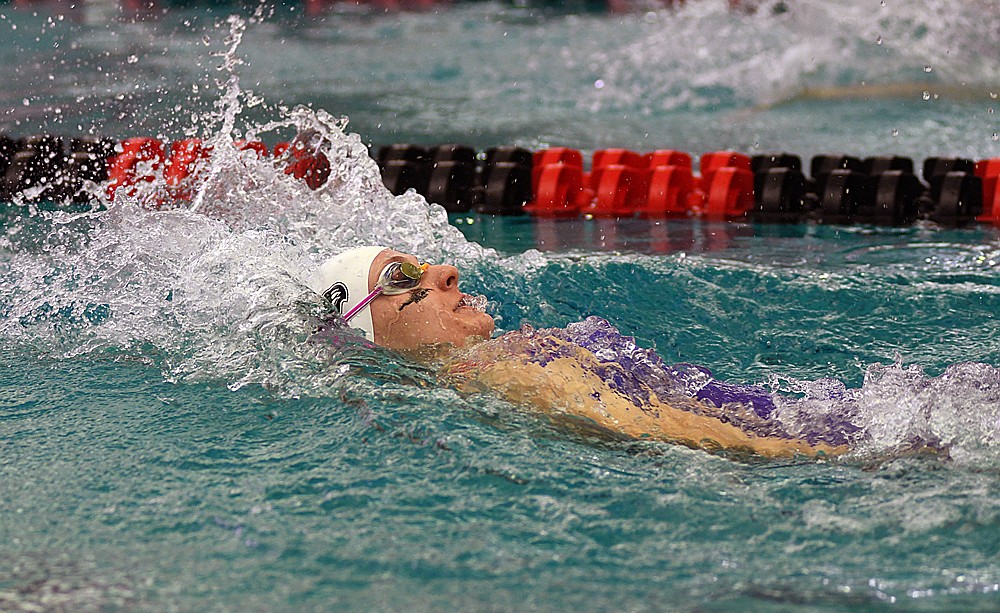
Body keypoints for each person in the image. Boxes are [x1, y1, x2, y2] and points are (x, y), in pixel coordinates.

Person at [312, 246, 846, 458]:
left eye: (424, 262)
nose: (446, 271)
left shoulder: (500, 360)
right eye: (400, 277)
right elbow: (665, 432)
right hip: (818, 443)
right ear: (369, 331)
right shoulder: (497, 375)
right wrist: (840, 456)